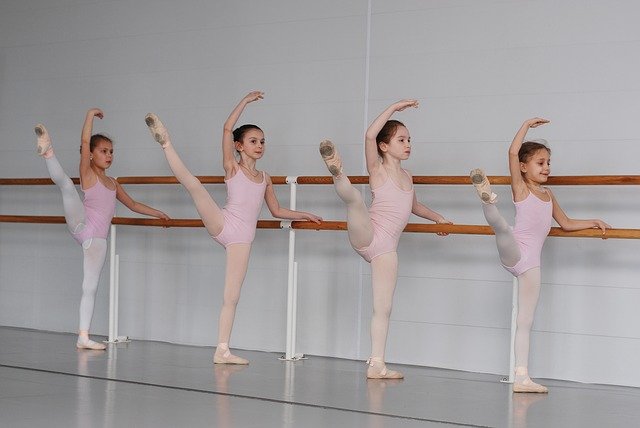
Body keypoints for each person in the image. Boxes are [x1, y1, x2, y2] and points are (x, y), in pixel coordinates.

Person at [145, 91, 321, 365]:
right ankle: (166, 142)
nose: (259, 145)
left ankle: (222, 350)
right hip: (223, 223)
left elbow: (276, 211)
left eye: (262, 141)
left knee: (232, 296)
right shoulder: (232, 168)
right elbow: (227, 128)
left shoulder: (265, 178)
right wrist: (245, 102)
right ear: (238, 146)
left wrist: (305, 214)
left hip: (242, 239)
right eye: (253, 141)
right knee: (195, 186)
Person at [470, 117, 610, 393]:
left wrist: (593, 221)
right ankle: (487, 199)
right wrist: (525, 126)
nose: (546, 167)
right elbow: (511, 152)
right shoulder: (521, 189)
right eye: (540, 162)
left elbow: (566, 223)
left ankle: (522, 377)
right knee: (503, 229)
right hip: (514, 250)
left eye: (548, 162)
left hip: (531, 263)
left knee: (525, 320)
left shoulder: (548, 194)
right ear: (523, 167)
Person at [319, 99, 452, 379]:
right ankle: (336, 170)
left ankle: (377, 364)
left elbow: (415, 207)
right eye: (401, 139)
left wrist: (438, 217)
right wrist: (394, 107)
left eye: (409, 140)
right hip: (367, 233)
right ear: (384, 146)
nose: (408, 144)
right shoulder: (377, 169)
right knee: (355, 200)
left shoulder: (408, 176)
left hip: (387, 248)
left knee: (384, 306)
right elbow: (369, 134)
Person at [35, 108, 170, 350]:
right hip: (81, 223)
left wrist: (157, 212)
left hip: (97, 239)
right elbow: (85, 140)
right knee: (67, 185)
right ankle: (48, 152)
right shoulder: (87, 174)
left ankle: (83, 336)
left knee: (90, 286)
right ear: (90, 155)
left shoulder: (113, 183)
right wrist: (88, 115)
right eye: (103, 151)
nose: (108, 156)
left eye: (111, 152)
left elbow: (133, 204)